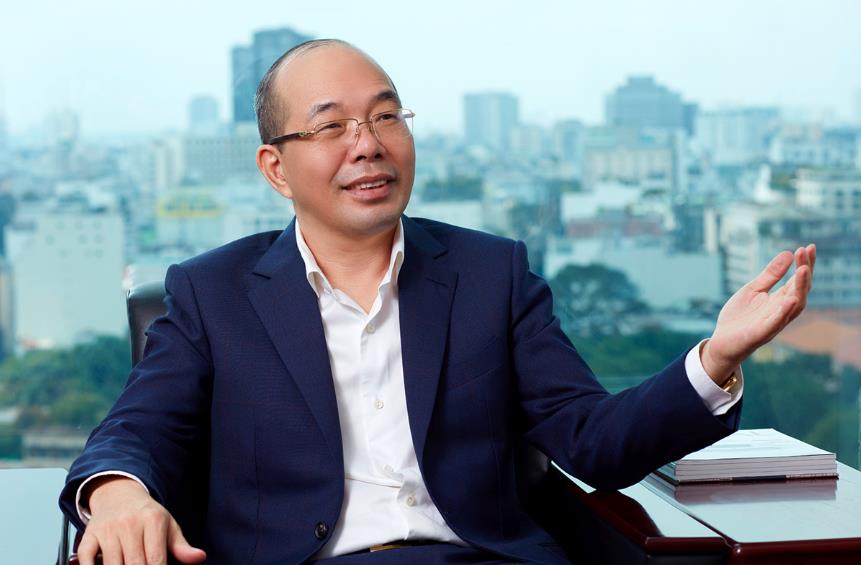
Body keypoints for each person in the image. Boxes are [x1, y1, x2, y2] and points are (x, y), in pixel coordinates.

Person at [60, 39, 816, 565]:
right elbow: (136, 429)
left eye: (386, 116)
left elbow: (593, 440)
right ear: (276, 168)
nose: (367, 143)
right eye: (331, 126)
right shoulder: (212, 292)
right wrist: (118, 494)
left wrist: (715, 358)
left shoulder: (491, 274)